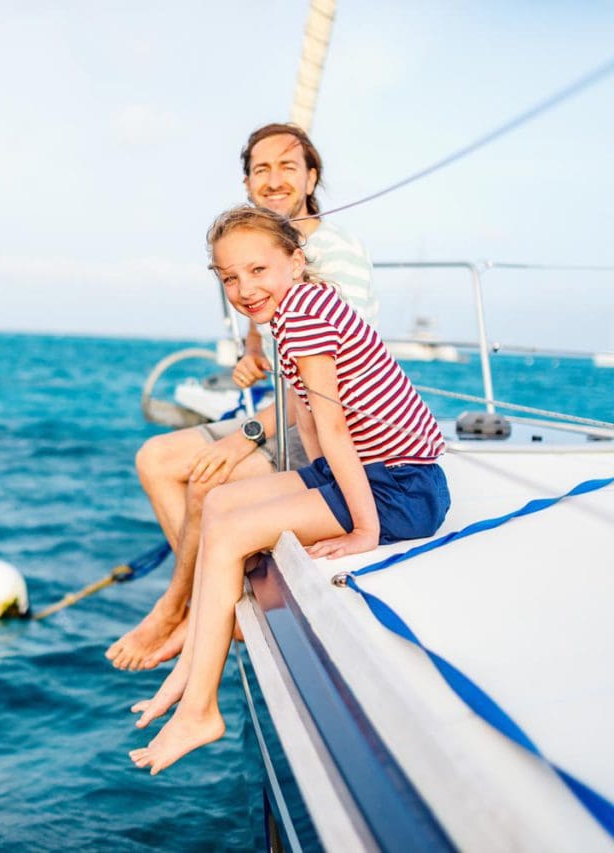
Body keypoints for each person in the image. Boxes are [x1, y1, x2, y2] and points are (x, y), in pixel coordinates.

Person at [128, 205, 449, 774]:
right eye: (229, 277)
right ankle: (191, 670)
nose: (245, 288)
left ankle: (201, 708)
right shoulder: (300, 310)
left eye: (258, 270)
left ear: (295, 261)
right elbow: (305, 420)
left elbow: (333, 425)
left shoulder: (301, 317)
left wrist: (363, 528)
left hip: (400, 486)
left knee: (225, 533)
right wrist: (308, 485)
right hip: (379, 472)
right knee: (221, 501)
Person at [106, 123, 375, 671]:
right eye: (261, 169)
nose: (274, 179)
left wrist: (244, 437)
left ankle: (184, 610)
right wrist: (251, 359)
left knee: (209, 481)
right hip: (282, 409)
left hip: (322, 425)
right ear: (248, 182)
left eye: (288, 166)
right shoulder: (253, 255)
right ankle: (190, 605)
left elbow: (328, 385)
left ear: (312, 177)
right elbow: (266, 346)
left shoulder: (331, 256)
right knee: (155, 459)